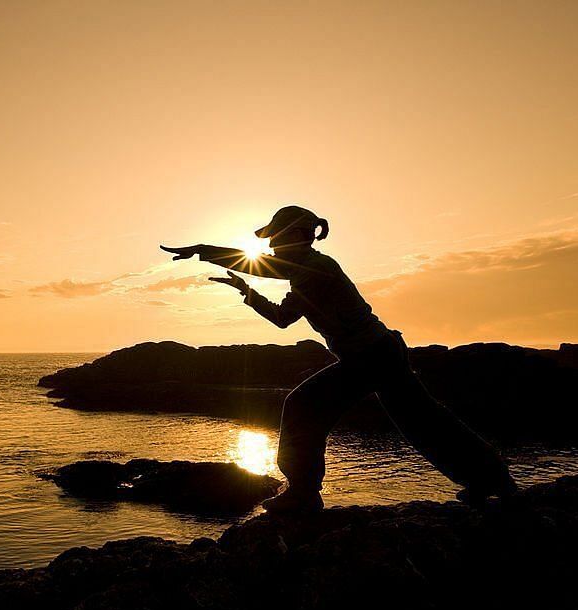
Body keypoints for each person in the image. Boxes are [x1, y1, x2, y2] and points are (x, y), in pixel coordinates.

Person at [161, 205, 517, 513]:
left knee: (303, 406)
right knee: (425, 423)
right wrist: (241, 286)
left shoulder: (315, 269)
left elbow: (277, 298)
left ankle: (303, 494)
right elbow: (277, 298)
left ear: (295, 236)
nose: (269, 244)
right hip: (377, 355)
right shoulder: (307, 270)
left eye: (275, 237)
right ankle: (494, 481)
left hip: (371, 357)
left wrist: (208, 253)